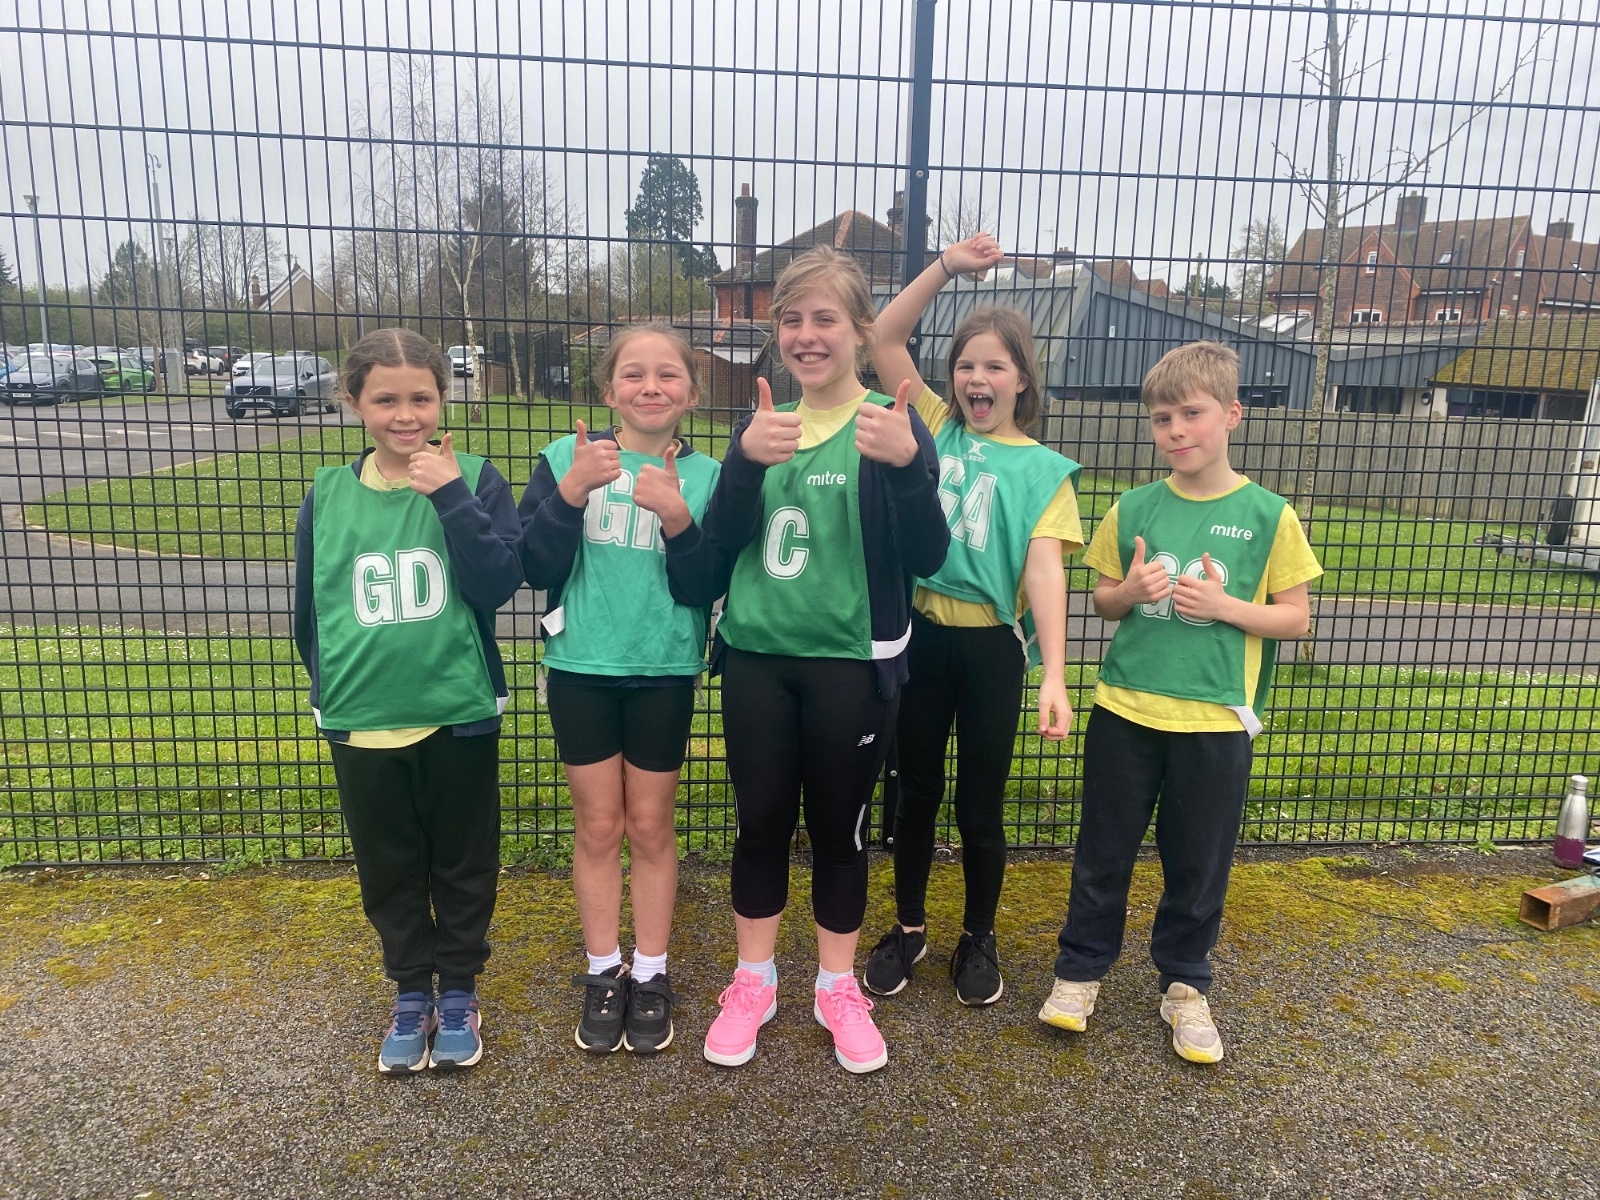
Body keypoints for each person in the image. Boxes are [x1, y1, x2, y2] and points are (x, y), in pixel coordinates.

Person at [698, 247, 950, 1074]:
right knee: (761, 824)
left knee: (839, 832)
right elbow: (717, 547)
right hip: (758, 660)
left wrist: (907, 470)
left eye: (825, 319)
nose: (807, 336)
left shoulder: (892, 423)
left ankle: (836, 987)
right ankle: (754, 981)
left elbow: (930, 555)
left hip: (852, 665)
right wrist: (743, 464)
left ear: (861, 329)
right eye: (791, 319)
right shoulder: (759, 427)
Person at [1037, 340, 1321, 1063]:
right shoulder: (1133, 506)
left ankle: (1186, 984)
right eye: (1163, 419)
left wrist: (1227, 607)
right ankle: (1080, 972)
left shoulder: (1270, 515)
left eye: (1192, 414)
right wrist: (1128, 593)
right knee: (1103, 852)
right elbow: (1103, 600)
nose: (1176, 431)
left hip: (1216, 721)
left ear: (1231, 414)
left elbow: (1295, 618)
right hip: (1124, 713)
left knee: (1198, 863)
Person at [292, 328, 523, 1073]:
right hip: (363, 717)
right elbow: (309, 612)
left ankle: (458, 991)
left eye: (421, 398)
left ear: (442, 399)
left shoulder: (475, 479)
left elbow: (497, 583)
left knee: (463, 861)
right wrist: (332, 686)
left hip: (456, 712)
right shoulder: (328, 495)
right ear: (354, 402)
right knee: (388, 866)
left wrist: (449, 496)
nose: (405, 414)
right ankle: (410, 991)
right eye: (385, 399)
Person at [863, 233, 1084, 1006]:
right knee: (915, 794)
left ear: (1022, 379)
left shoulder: (1045, 471)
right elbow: (883, 337)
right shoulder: (930, 423)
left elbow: (1045, 570)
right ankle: (910, 928)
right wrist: (945, 269)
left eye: (994, 366)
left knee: (981, 803)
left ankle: (978, 936)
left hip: (993, 649)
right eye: (965, 365)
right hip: (922, 639)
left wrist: (1055, 674)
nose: (976, 379)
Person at [519, 323, 725, 1055]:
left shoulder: (711, 477)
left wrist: (678, 518)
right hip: (582, 668)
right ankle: (604, 970)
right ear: (609, 391)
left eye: (668, 375)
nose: (650, 387)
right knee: (599, 827)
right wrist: (571, 493)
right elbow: (533, 564)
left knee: (651, 826)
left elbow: (706, 585)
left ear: (691, 393)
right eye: (633, 374)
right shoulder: (564, 459)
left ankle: (652, 971)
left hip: (663, 671)